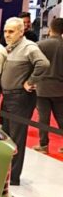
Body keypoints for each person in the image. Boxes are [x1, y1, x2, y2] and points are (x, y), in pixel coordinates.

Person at [0, 17, 50, 185]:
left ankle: (13, 178)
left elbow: (43, 64)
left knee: (16, 139)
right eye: (5, 31)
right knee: (7, 137)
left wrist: (31, 81)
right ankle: (6, 174)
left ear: (21, 32)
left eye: (11, 31)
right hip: (8, 97)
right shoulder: (11, 48)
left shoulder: (29, 47)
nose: (7, 34)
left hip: (20, 98)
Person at [27, 17, 63, 154]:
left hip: (42, 87)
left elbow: (31, 64)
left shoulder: (40, 45)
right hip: (60, 88)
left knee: (43, 118)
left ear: (50, 28)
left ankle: (43, 145)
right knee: (61, 118)